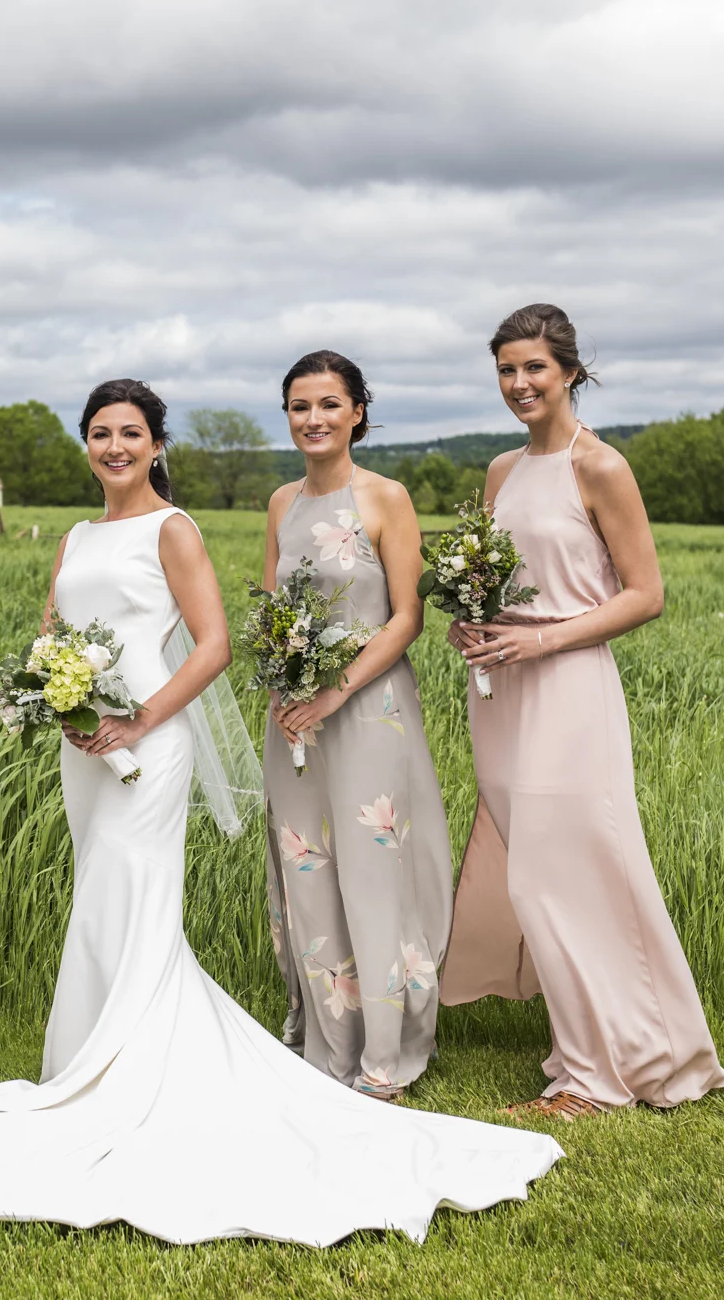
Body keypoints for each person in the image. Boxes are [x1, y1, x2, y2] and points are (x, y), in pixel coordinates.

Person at [0, 380, 562, 1247]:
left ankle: (148, 1064)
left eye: (131, 432)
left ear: (157, 442)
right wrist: (57, 692)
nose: (114, 445)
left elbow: (214, 645)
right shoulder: (80, 535)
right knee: (98, 890)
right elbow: (57, 626)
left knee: (136, 889)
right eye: (99, 432)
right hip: (86, 742)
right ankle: (84, 1062)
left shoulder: (174, 528)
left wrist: (140, 717)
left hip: (148, 742)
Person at [440, 303, 724, 1118]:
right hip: (498, 691)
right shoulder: (501, 472)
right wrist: (473, 617)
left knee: (565, 872)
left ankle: (595, 1076)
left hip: (567, 687)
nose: (519, 383)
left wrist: (544, 641)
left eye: (534, 366)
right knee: (531, 874)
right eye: (505, 369)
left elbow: (646, 595)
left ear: (569, 369)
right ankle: (628, 1050)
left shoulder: (599, 466)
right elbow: (501, 577)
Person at [259, 350, 452, 1097]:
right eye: (300, 406)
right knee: (307, 866)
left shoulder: (386, 497)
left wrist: (336, 690)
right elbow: (274, 612)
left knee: (373, 870)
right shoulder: (280, 502)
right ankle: (327, 1037)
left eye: (330, 404)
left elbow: (408, 617)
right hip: (293, 719)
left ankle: (386, 1050)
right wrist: (283, 684)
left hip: (368, 707)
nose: (314, 419)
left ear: (358, 412)